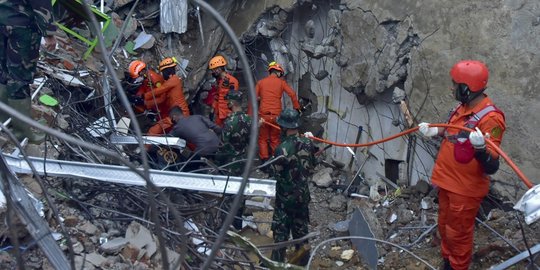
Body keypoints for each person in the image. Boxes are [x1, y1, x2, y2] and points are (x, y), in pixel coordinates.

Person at [418, 60, 505, 270]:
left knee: (458, 234)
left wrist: (481, 149)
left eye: (455, 84)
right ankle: (448, 261)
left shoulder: (491, 119)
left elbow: (492, 166)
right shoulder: (462, 107)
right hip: (447, 182)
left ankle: (457, 267)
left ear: (467, 88)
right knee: (445, 227)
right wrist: (435, 131)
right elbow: (452, 131)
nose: (451, 88)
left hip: (464, 190)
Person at [0, 0, 57, 142]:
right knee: (19, 76)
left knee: (2, 70)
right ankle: (20, 131)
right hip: (22, 25)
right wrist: (48, 32)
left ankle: (4, 119)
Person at [270, 109, 316, 264]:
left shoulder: (281, 149)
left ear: (283, 127)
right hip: (302, 196)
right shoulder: (309, 144)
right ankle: (303, 265)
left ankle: (275, 265)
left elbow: (275, 173)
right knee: (301, 233)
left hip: (285, 199)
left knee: (281, 235)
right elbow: (312, 165)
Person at [251, 61, 301, 162]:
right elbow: (292, 94)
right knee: (275, 139)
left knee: (263, 139)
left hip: (263, 117)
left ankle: (264, 160)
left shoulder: (260, 83)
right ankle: (276, 159)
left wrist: (250, 115)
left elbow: (253, 99)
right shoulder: (281, 83)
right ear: (278, 72)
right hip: (277, 117)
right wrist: (297, 108)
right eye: (280, 74)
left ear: (270, 71)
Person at [217, 90, 251, 175]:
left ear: (232, 103)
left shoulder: (229, 122)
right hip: (244, 158)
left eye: (228, 101)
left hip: (231, 161)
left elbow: (223, 144)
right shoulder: (249, 119)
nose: (227, 103)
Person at [208, 55, 239, 127]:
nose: (213, 71)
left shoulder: (232, 81)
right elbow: (217, 96)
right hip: (220, 114)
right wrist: (212, 109)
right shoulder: (220, 81)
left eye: (214, 69)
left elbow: (234, 98)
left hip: (228, 114)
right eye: (212, 70)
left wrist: (232, 113)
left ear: (220, 68)